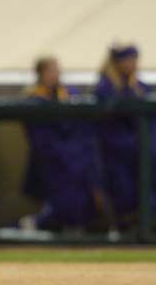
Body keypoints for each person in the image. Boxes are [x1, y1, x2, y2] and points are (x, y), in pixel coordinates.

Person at [21, 57, 102, 231]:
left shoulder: (67, 93)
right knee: (61, 193)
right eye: (50, 71)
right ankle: (39, 222)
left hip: (74, 157)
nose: (55, 75)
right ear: (41, 74)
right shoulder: (34, 98)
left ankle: (75, 224)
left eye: (56, 70)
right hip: (49, 158)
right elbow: (40, 139)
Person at [94, 44, 151, 229]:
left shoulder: (139, 87)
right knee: (119, 196)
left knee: (141, 196)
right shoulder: (105, 88)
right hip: (113, 154)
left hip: (138, 154)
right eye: (128, 60)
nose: (133, 64)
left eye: (134, 60)